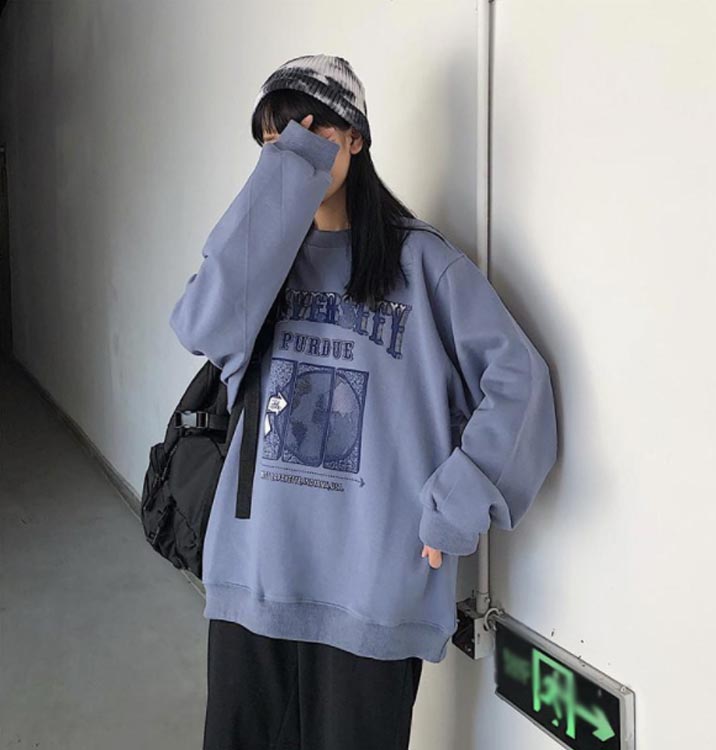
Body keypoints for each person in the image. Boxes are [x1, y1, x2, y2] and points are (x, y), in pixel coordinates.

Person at [169, 53, 558, 750]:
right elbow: (200, 326)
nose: (294, 149)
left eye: (311, 129)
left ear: (355, 137)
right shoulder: (255, 266)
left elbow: (519, 383)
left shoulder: (422, 264)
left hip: (371, 586)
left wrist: (457, 503)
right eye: (275, 139)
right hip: (255, 571)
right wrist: (287, 180)